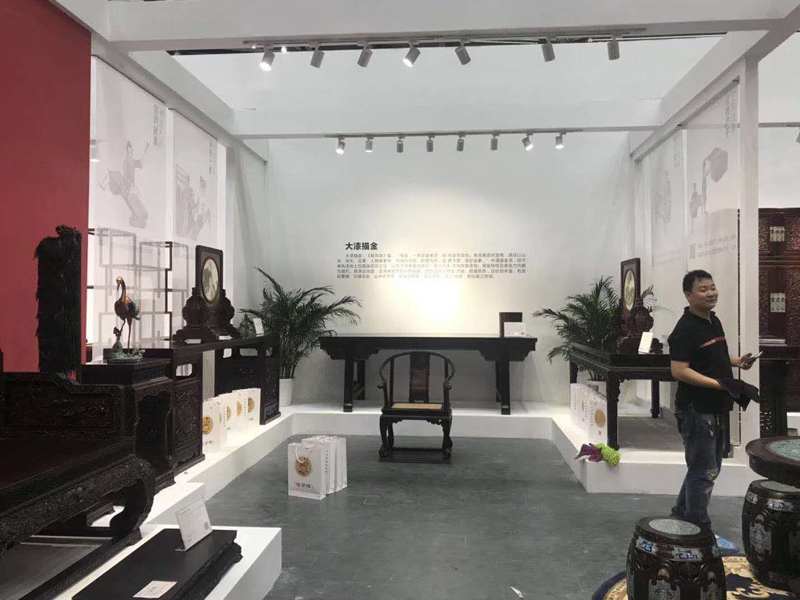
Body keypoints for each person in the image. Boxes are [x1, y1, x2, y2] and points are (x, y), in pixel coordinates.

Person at [668, 269, 755, 529]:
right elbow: (679, 371)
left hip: (715, 406)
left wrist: (738, 362)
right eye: (703, 289)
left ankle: (681, 515)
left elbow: (714, 356)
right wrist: (718, 384)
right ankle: (698, 528)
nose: (710, 293)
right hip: (696, 409)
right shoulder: (685, 329)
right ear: (688, 295)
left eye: (712, 287)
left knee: (706, 467)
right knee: (704, 471)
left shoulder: (712, 321)